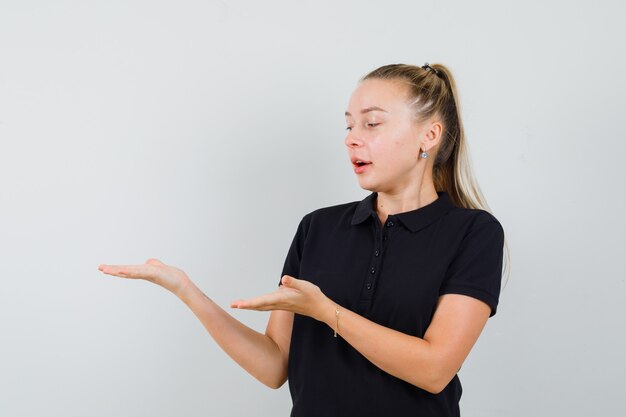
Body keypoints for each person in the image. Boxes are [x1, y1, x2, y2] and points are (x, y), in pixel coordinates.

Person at [98, 62, 509, 417]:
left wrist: (326, 312)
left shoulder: (474, 233)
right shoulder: (318, 228)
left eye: (372, 122)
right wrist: (187, 292)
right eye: (348, 124)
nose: (351, 137)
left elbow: (435, 369)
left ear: (429, 135)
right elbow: (274, 365)